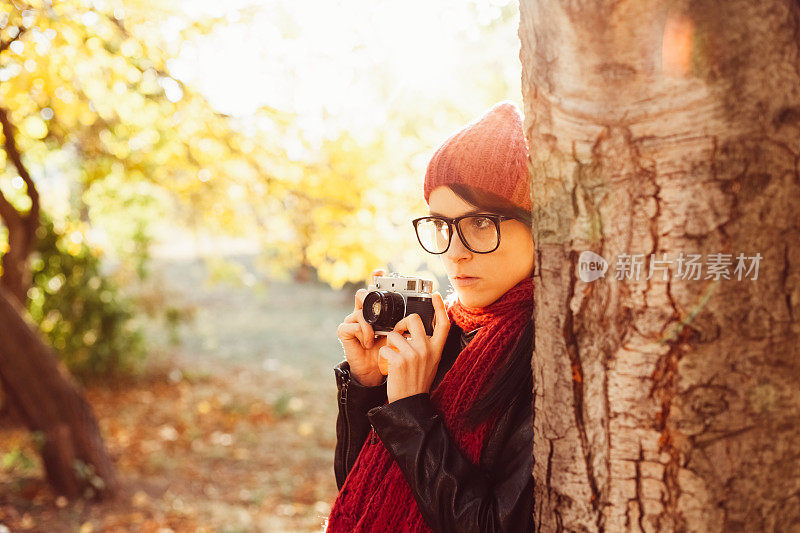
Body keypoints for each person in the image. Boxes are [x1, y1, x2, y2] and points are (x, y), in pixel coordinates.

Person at [326, 101, 535, 532]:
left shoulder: (547, 355)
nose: (456, 250)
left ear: (539, 224)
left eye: (481, 222)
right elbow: (363, 494)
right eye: (442, 225)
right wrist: (369, 386)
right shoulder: (445, 334)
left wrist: (410, 412)